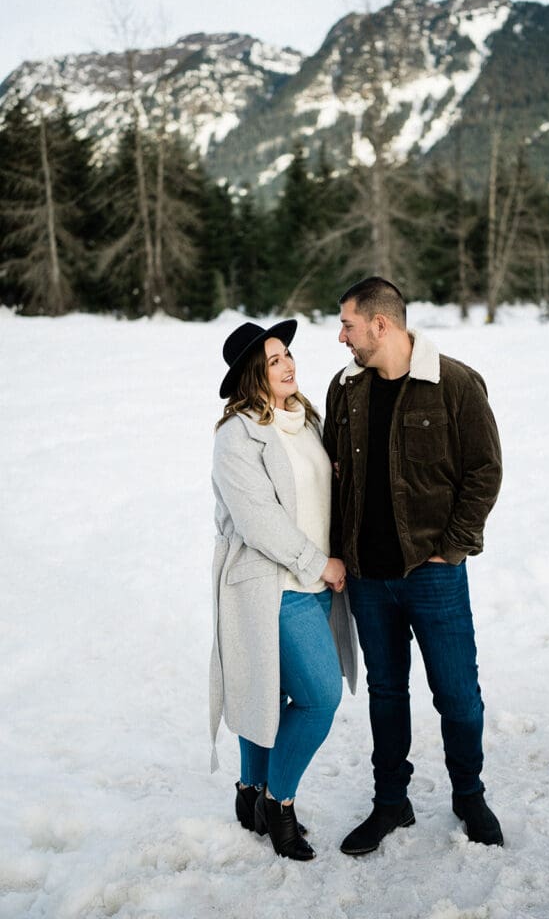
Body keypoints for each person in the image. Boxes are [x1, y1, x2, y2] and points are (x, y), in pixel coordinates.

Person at [323, 277, 504, 855]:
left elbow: (484, 471)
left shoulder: (453, 383)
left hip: (433, 575)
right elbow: (334, 476)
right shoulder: (345, 388)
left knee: (456, 694)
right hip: (368, 579)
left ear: (382, 324)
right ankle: (390, 803)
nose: (342, 336)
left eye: (348, 324)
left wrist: (452, 546)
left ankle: (469, 795)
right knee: (386, 692)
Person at [209, 319, 357, 861]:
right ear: (254, 373)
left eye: (288, 353)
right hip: (274, 585)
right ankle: (279, 801)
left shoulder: (305, 421)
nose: (288, 364)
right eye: (273, 360)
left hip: (317, 582)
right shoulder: (236, 436)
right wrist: (320, 564)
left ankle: (250, 791)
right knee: (318, 697)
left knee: (269, 692)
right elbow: (259, 521)